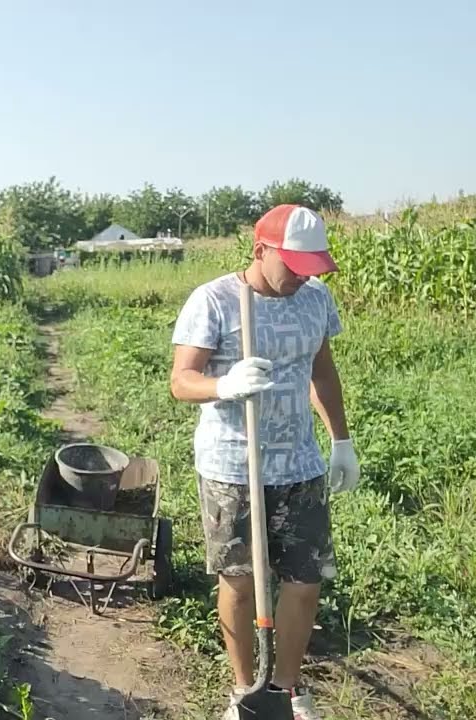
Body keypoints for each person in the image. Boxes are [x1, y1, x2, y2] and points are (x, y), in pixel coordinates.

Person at [169, 204, 360, 720]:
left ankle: (285, 687)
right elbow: (181, 380)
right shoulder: (214, 300)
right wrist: (224, 385)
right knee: (239, 579)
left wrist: (341, 440)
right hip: (233, 464)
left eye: (312, 267)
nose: (303, 277)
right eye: (294, 265)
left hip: (299, 463)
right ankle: (244, 692)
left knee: (305, 579)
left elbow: (322, 372)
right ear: (261, 251)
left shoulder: (315, 299)